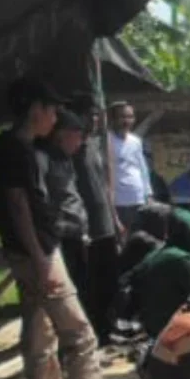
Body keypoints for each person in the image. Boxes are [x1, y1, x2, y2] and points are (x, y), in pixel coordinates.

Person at [0, 77, 137, 379]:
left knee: (40, 336)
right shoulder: (16, 151)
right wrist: (41, 260)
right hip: (39, 255)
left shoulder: (9, 148)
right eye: (51, 110)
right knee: (81, 339)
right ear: (36, 110)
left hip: (26, 255)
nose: (55, 118)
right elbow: (18, 208)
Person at [126, 208, 190, 341]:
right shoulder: (182, 260)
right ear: (188, 235)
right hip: (169, 329)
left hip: (149, 325)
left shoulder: (158, 253)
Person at [72, 103, 120, 345]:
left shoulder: (94, 145)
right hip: (86, 228)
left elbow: (104, 186)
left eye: (95, 116)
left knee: (109, 280)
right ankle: (96, 332)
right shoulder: (71, 150)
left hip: (105, 224)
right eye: (87, 116)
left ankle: (109, 328)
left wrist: (115, 219)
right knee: (89, 284)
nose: (93, 121)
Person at [36, 109, 89, 310]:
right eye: (76, 137)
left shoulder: (66, 159)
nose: (80, 143)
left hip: (75, 233)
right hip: (59, 235)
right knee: (66, 290)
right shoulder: (42, 159)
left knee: (81, 283)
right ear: (60, 136)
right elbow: (40, 198)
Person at [108, 101, 153, 235]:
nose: (127, 121)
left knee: (141, 238)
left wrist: (148, 194)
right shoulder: (106, 141)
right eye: (122, 117)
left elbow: (142, 168)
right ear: (113, 119)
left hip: (138, 198)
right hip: (119, 202)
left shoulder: (135, 141)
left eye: (130, 117)